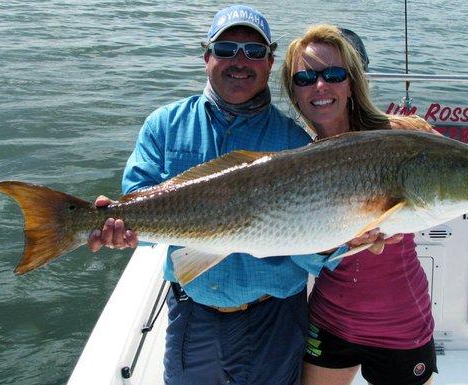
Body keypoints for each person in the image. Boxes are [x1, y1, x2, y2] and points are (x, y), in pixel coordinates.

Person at [280, 24, 468, 385]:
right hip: (330, 319)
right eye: (306, 77)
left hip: (401, 323)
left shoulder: (406, 135)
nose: (320, 86)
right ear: (294, 91)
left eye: (334, 74)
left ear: (352, 82)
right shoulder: (294, 160)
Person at [86, 6, 343, 385]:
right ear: (206, 55)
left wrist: (334, 243)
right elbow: (135, 198)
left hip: (274, 317)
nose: (240, 61)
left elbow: (317, 251)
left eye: (253, 52)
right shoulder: (164, 125)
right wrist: (118, 228)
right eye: (226, 49)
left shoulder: (295, 143)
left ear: (270, 62)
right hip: (195, 314)